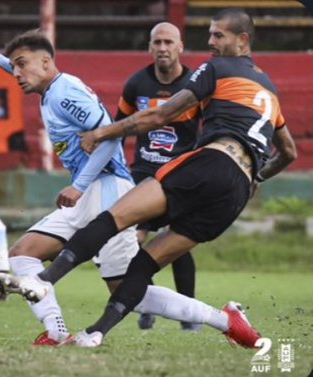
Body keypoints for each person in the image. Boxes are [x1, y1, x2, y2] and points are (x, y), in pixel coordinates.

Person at [0, 9, 298, 349]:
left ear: (242, 40)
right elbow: (288, 152)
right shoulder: (268, 90)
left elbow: (153, 117)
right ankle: (64, 332)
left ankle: (49, 285)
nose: (209, 42)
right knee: (46, 258)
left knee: (118, 243)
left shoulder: (213, 69)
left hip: (168, 172)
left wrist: (102, 136)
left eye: (217, 35)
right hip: (236, 188)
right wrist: (257, 175)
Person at [117, 22, 201, 332]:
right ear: (150, 47)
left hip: (182, 174)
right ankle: (147, 302)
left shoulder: (197, 84)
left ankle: (188, 313)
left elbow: (213, 127)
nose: (162, 48)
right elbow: (118, 127)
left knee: (178, 243)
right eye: (157, 42)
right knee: (133, 241)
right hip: (143, 173)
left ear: (180, 46)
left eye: (168, 42)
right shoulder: (136, 83)